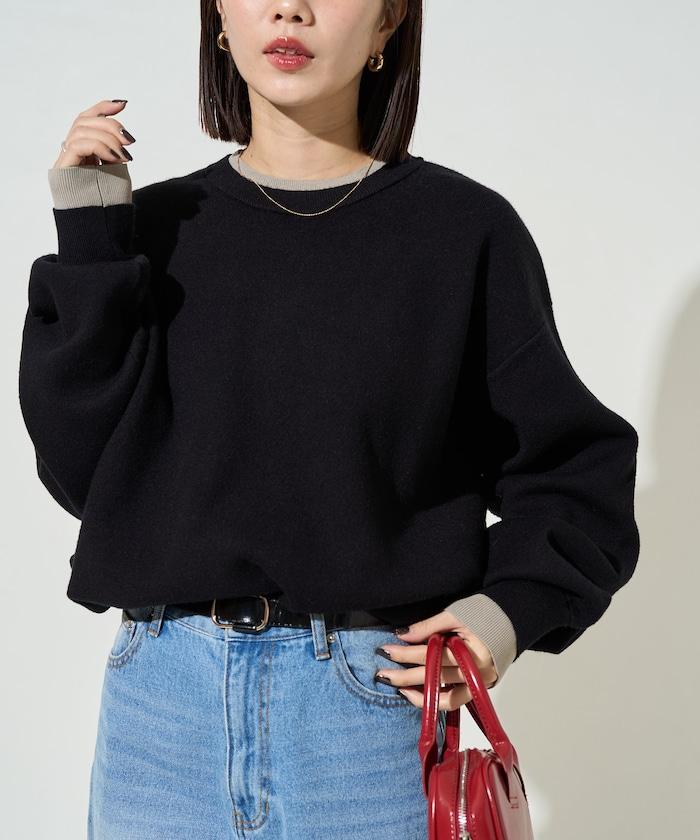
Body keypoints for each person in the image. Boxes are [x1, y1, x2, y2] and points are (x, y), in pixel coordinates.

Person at [18, 1, 640, 838]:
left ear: (387, 26)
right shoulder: (154, 232)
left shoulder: (461, 232)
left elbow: (575, 472)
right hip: (160, 716)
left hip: (365, 713)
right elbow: (85, 477)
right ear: (218, 20)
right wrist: (93, 241)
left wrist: (505, 617)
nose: (290, 8)